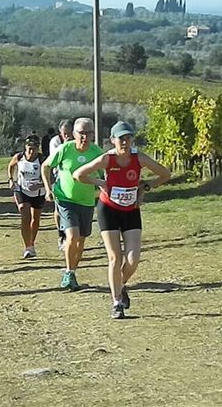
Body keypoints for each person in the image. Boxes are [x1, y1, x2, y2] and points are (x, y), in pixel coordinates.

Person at [73, 121, 171, 319]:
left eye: (128, 138)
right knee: (115, 258)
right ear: (112, 140)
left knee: (133, 259)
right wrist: (100, 182)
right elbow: (78, 175)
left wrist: (146, 186)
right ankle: (116, 301)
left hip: (131, 210)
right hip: (108, 209)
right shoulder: (107, 159)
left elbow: (165, 174)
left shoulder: (139, 158)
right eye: (121, 138)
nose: (125, 142)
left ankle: (121, 283)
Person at [41, 118, 103, 291]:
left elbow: (105, 174)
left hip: (87, 201)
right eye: (81, 133)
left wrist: (104, 186)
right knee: (73, 236)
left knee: (81, 240)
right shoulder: (65, 149)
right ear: (74, 134)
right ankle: (68, 272)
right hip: (65, 199)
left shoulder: (97, 152)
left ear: (93, 135)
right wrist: (48, 189)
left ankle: (73, 272)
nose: (84, 136)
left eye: (88, 133)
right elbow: (45, 166)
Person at [8, 135, 46, 258]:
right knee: (25, 215)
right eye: (29, 148)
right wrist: (10, 179)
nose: (31, 152)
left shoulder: (42, 160)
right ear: (25, 147)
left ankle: (32, 243)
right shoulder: (19, 157)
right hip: (21, 190)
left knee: (35, 219)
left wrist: (40, 185)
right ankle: (27, 247)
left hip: (38, 192)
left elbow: (51, 177)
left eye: (34, 149)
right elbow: (11, 166)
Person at [49, 119, 74, 251]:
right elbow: (55, 159)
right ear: (60, 132)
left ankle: (72, 234)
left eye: (69, 133)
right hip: (59, 176)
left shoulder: (78, 139)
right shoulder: (55, 141)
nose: (67, 135)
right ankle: (61, 233)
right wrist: (66, 144)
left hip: (75, 177)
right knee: (59, 207)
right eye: (65, 133)